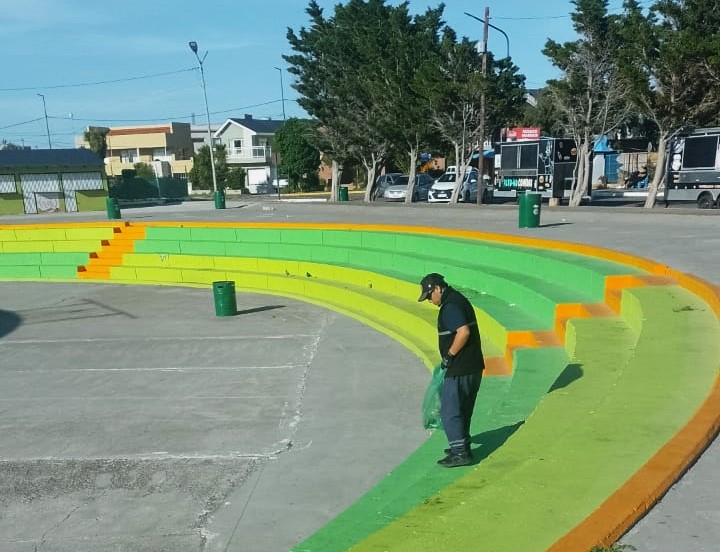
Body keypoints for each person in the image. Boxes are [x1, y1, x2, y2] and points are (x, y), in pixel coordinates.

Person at [418, 273, 485, 467]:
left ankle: (460, 452)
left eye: (429, 296)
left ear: (437, 289)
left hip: (460, 367)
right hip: (473, 365)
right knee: (463, 408)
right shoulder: (458, 300)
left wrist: (449, 355)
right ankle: (461, 445)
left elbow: (463, 332)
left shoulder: (450, 307)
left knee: (450, 410)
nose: (429, 300)